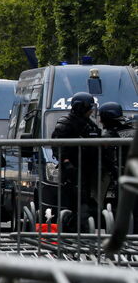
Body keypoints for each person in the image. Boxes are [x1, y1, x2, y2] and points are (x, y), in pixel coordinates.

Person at [51, 92, 102, 228]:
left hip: (88, 170)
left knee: (87, 204)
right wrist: (66, 163)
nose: (91, 111)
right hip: (72, 171)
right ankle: (76, 231)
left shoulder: (90, 125)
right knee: (79, 205)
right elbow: (57, 146)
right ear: (81, 107)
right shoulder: (65, 123)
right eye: (89, 108)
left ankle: (80, 230)